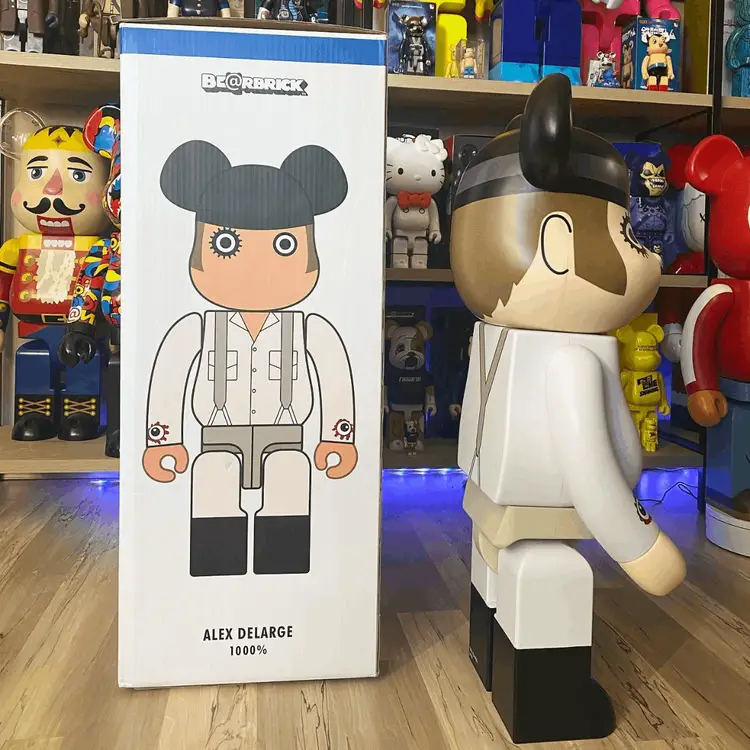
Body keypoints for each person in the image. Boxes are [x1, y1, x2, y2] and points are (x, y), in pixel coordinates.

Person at [142, 141, 357, 578]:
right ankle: (217, 581)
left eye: (284, 245)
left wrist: (338, 436)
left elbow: (336, 378)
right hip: (216, 440)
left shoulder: (311, 330)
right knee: (213, 493)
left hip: (288, 440)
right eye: (226, 244)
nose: (256, 268)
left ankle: (284, 582)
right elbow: (168, 380)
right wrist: (163, 440)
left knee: (289, 493)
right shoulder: (195, 329)